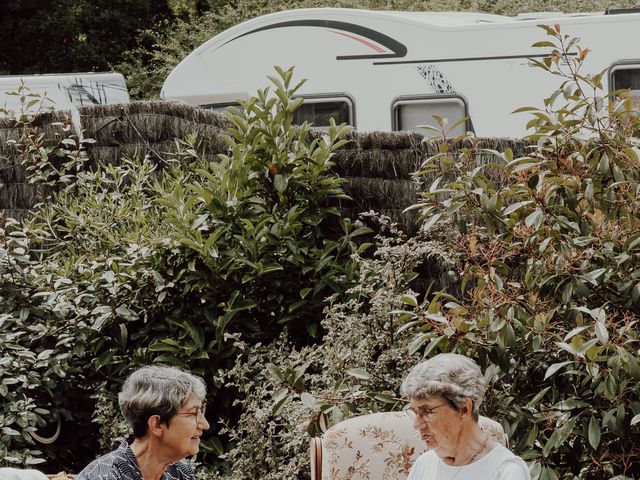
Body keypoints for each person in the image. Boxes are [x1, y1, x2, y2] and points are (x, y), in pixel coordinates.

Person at [401, 353, 530, 480]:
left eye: (427, 411)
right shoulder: (424, 463)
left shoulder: (506, 472)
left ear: (464, 408)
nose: (416, 424)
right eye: (415, 412)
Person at [78, 365, 210, 480]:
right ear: (156, 425)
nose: (205, 425)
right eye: (193, 413)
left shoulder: (180, 471)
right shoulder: (104, 476)